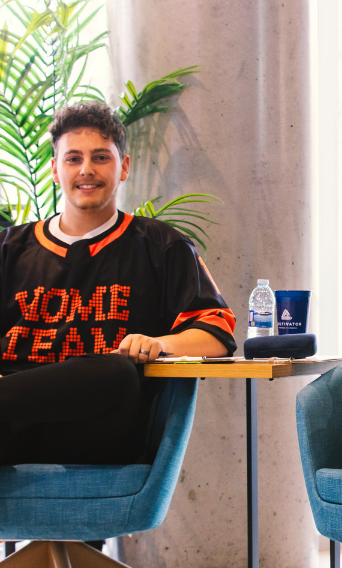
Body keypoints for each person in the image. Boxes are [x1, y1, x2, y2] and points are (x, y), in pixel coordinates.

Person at [0, 102, 236, 467]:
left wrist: (158, 343)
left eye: (100, 158)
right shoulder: (9, 249)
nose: (86, 170)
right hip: (13, 427)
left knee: (115, 372)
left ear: (123, 167)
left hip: (100, 429)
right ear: (54, 170)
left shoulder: (161, 245)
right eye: (73, 159)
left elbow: (217, 335)